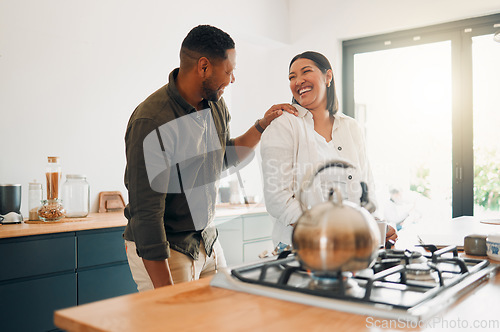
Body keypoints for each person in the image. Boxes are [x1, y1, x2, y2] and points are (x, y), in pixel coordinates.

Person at [123, 25, 297, 291]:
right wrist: (166, 293)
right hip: (169, 250)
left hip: (207, 242)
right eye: (229, 71)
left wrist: (262, 125)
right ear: (203, 67)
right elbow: (146, 215)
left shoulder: (214, 104)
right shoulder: (153, 120)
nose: (232, 79)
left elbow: (222, 158)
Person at [261, 51, 397, 249]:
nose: (298, 81)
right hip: (301, 247)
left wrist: (374, 226)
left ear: (328, 77)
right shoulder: (283, 125)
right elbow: (277, 197)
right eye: (292, 77)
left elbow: (366, 187)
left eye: (305, 72)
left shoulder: (351, 127)